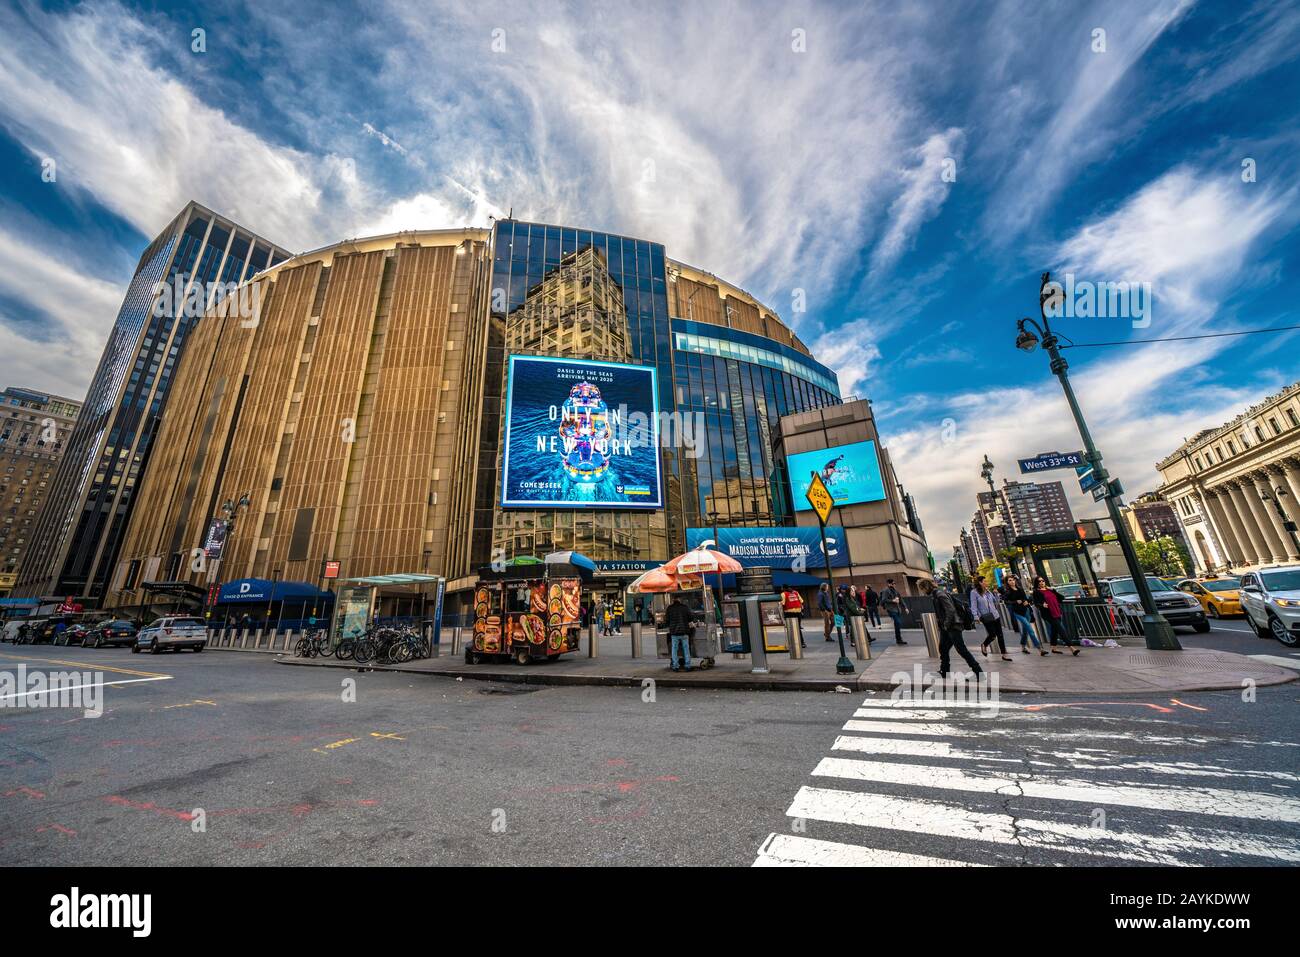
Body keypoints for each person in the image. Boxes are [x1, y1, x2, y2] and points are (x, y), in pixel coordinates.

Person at [918, 579, 982, 679]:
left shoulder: (940, 595)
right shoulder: (936, 595)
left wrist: (946, 624)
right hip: (947, 627)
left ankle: (979, 673)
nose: (922, 592)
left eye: (922, 589)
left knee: (962, 650)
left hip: (953, 626)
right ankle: (944, 671)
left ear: (925, 587)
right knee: (943, 648)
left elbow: (950, 610)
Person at [969, 575, 1012, 662]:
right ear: (980, 583)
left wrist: (995, 593)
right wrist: (976, 616)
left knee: (1000, 635)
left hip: (995, 615)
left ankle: (1004, 654)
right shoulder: (974, 592)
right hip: (986, 616)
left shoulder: (988, 591)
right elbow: (973, 605)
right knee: (992, 634)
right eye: (985, 581)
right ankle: (984, 644)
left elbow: (995, 601)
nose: (986, 583)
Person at [1001, 574, 1046, 656]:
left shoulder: (1020, 589)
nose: (1012, 582)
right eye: (1010, 580)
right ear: (1007, 582)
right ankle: (1040, 648)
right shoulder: (1007, 592)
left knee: (1025, 630)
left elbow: (1025, 598)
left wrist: (1026, 601)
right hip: (1017, 612)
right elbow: (1006, 601)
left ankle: (1023, 646)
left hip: (1026, 611)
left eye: (1013, 580)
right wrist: (1015, 602)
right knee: (1030, 629)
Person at [1032, 577, 1077, 655]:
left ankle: (1053, 648)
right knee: (1061, 629)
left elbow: (1061, 598)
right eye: (1039, 581)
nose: (1042, 582)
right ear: (1037, 583)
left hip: (1057, 612)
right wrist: (1042, 605)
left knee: (1054, 630)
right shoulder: (1037, 592)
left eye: (1043, 580)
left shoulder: (1049, 590)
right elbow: (1036, 603)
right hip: (1048, 614)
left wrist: (1053, 590)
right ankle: (1072, 648)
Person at [665, 594, 693, 672]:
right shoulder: (685, 607)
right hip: (684, 631)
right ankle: (687, 665)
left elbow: (666, 620)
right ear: (679, 599)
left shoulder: (669, 608)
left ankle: (675, 666)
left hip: (674, 632)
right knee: (686, 649)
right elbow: (690, 618)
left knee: (674, 649)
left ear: (673, 600)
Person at [879, 578, 908, 645]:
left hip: (897, 609)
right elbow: (883, 600)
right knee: (898, 622)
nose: (894, 585)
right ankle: (899, 639)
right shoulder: (886, 591)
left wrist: (905, 608)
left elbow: (901, 599)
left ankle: (898, 639)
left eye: (895, 583)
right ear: (889, 584)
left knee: (897, 624)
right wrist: (893, 600)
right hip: (891, 609)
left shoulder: (895, 591)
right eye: (893, 583)